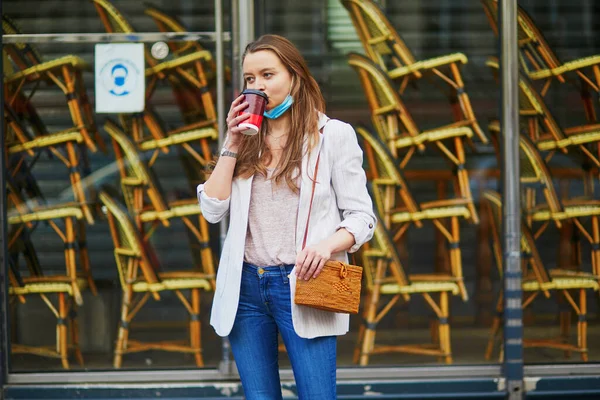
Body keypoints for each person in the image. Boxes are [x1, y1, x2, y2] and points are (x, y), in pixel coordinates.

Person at [197, 34, 376, 400]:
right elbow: (212, 209)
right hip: (247, 287)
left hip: (303, 283)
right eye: (249, 79)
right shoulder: (244, 140)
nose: (257, 86)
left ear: (294, 76)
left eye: (267, 74)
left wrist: (327, 245)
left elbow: (362, 218)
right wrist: (231, 142)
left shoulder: (332, 135)